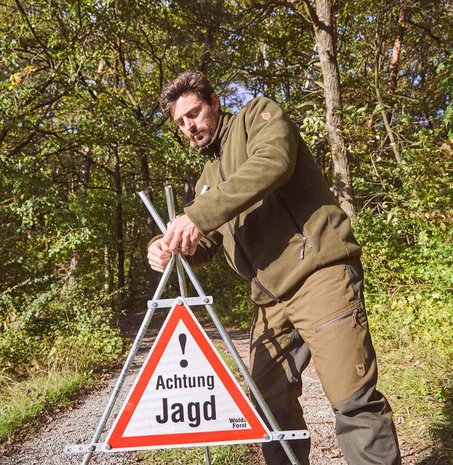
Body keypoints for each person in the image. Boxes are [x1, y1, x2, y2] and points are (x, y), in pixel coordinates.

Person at [147, 70, 401, 465]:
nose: (189, 127)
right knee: (267, 405)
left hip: (319, 274)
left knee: (352, 400)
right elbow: (207, 243)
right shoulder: (206, 180)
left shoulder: (256, 116)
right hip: (269, 300)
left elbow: (274, 162)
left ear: (214, 101)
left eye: (194, 114)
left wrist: (197, 215)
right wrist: (168, 248)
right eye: (180, 123)